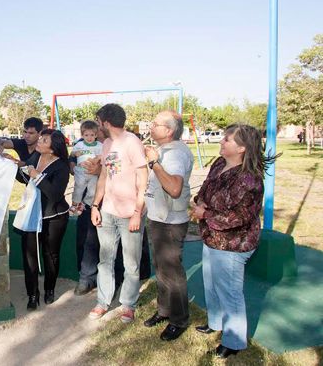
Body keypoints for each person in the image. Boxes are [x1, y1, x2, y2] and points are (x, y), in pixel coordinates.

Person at [190, 124, 273, 359]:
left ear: (242, 148)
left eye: (227, 139)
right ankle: (216, 322)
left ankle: (234, 341)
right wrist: (201, 202)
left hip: (234, 244)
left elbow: (238, 218)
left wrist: (205, 214)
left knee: (229, 291)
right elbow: (205, 189)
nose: (221, 141)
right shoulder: (219, 164)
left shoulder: (249, 180)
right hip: (211, 237)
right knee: (211, 282)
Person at [89, 104, 148, 323]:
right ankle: (103, 301)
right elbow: (105, 175)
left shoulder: (132, 142)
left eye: (98, 121)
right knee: (105, 259)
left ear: (105, 122)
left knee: (131, 263)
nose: (97, 125)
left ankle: (128, 304)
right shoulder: (106, 144)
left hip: (130, 213)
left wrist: (136, 212)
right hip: (108, 212)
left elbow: (143, 180)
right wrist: (96, 205)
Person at [143, 111, 194, 341]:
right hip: (159, 219)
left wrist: (153, 163)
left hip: (170, 223)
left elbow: (174, 188)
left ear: (169, 131)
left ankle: (179, 320)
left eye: (156, 124)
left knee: (172, 273)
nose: (151, 126)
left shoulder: (174, 154)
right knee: (162, 270)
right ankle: (164, 311)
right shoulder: (165, 149)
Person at [19, 129, 70, 310]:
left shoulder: (62, 166)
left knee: (51, 255)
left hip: (53, 217)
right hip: (31, 216)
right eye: (40, 138)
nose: (39, 141)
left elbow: (55, 195)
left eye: (44, 140)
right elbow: (25, 178)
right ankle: (33, 295)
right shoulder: (35, 157)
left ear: (53, 147)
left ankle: (50, 289)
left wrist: (37, 176)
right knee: (29, 257)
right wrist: (16, 166)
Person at [69, 120, 103, 215]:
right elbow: (71, 154)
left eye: (92, 135)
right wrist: (76, 153)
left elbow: (104, 155)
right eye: (86, 135)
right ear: (82, 135)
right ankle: (74, 204)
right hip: (81, 171)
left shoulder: (100, 146)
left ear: (96, 135)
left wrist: (98, 157)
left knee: (92, 191)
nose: (89, 138)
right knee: (78, 188)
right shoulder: (79, 145)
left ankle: (84, 203)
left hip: (93, 173)